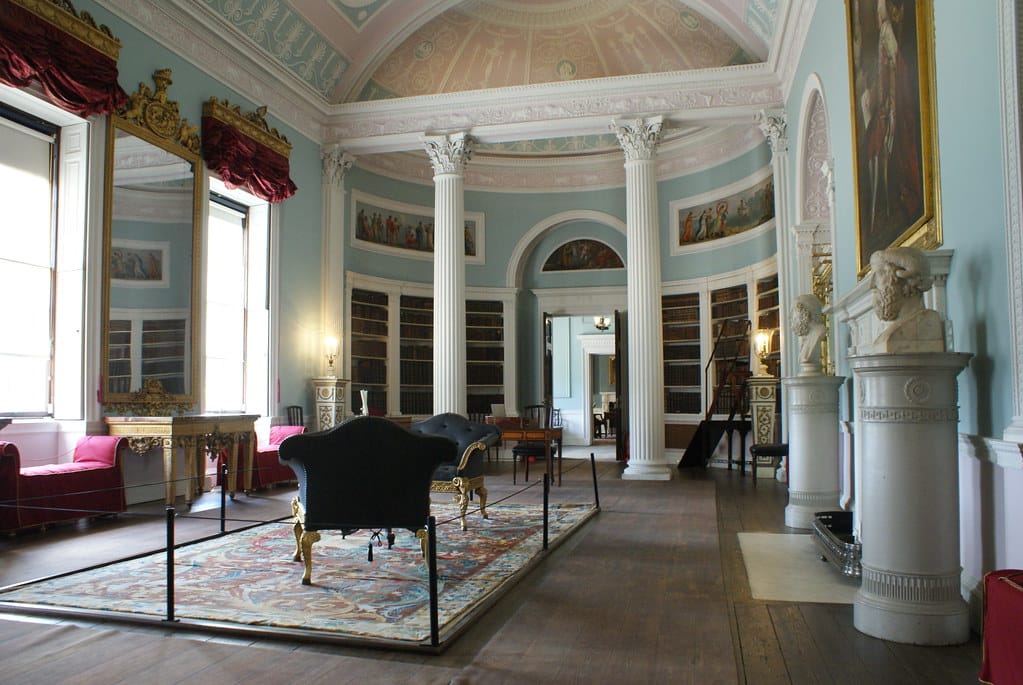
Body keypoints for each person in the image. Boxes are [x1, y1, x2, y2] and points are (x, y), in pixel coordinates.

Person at [869, 246, 945, 352]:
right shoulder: (888, 334)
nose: (872, 284)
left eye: (880, 273)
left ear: (906, 280)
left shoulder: (927, 323)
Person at [790, 294, 827, 375]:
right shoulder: (803, 337)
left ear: (804, 312)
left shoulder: (819, 331)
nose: (791, 317)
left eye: (794, 311)